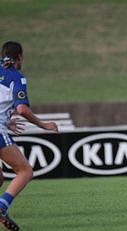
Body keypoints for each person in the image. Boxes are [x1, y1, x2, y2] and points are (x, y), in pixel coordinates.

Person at [0, 41, 58, 230]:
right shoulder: (16, 77)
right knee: (25, 171)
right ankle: (1, 208)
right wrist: (43, 124)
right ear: (19, 58)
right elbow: (22, 109)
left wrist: (6, 120)